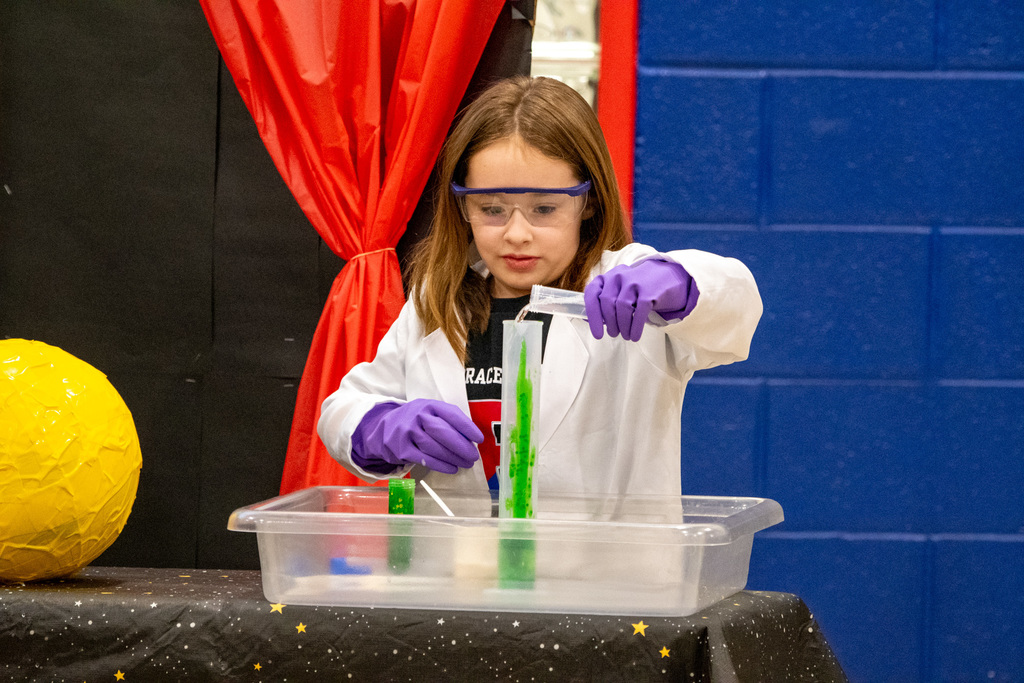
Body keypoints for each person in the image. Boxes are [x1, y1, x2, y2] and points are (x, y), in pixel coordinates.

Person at [318, 76, 762, 497]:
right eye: (491, 208)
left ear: (588, 201)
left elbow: (735, 299)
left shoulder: (628, 291)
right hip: (459, 569)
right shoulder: (441, 300)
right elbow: (344, 408)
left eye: (545, 208)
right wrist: (379, 428)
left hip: (604, 574)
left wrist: (677, 284)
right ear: (462, 206)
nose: (516, 234)